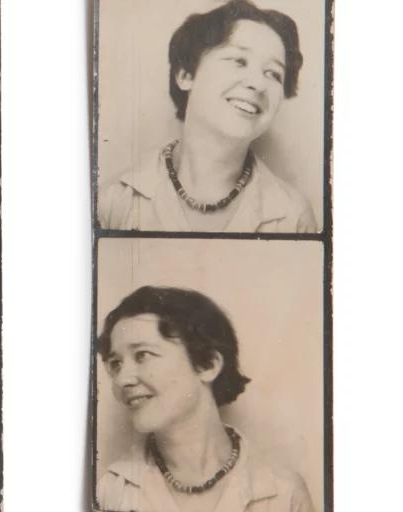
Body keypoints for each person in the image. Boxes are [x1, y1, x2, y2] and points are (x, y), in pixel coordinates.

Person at [98, 0, 317, 233]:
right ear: (186, 75)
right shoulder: (115, 201)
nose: (258, 84)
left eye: (273, 74)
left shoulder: (294, 218)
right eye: (239, 61)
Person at [96, 286, 315, 512]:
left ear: (208, 364)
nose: (122, 379)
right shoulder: (111, 492)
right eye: (116, 364)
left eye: (143, 355)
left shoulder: (284, 493)